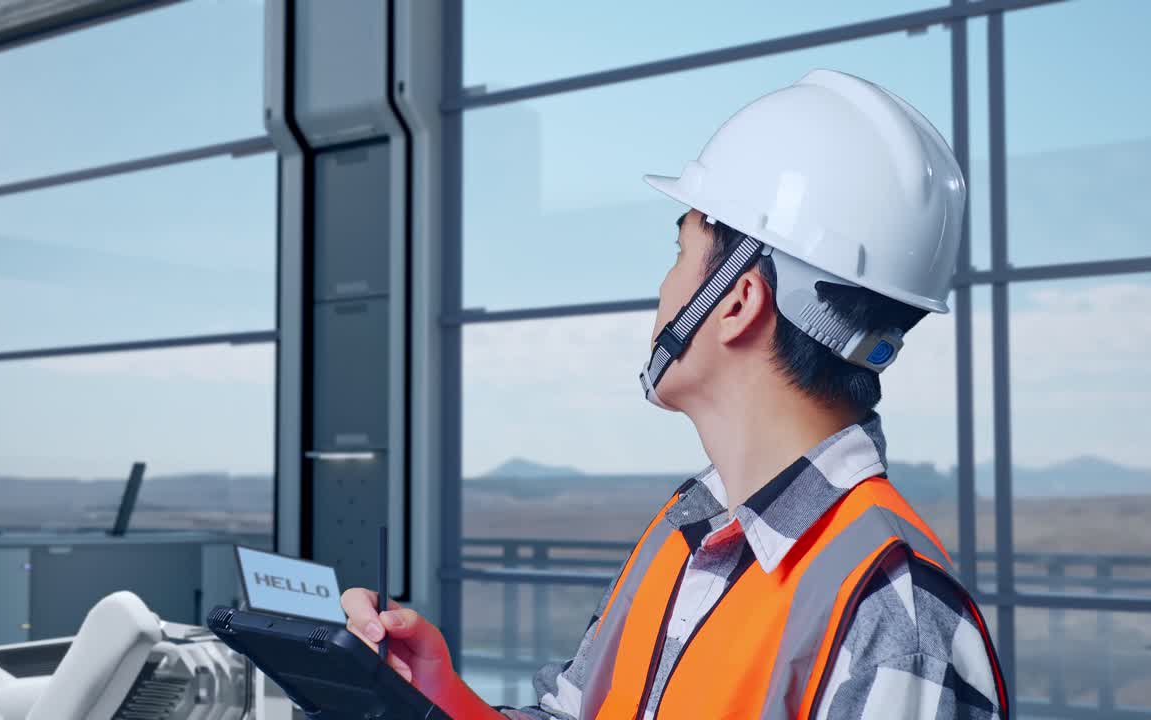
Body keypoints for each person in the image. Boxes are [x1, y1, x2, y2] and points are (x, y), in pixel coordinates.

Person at [341, 69, 1009, 719]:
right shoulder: (688, 536)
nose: (663, 291)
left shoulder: (891, 611)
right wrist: (435, 693)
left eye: (681, 251)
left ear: (740, 300)